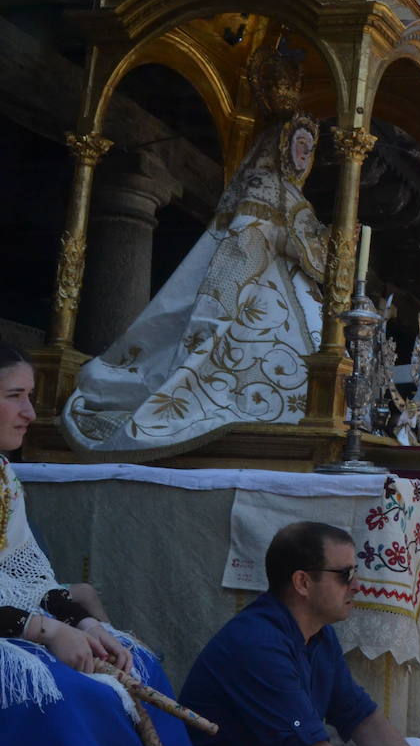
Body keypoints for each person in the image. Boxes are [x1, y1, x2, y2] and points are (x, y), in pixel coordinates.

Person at [63, 53, 329, 457]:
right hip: (251, 279)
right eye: (298, 146)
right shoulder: (261, 185)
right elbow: (246, 239)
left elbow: (309, 249)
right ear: (280, 145)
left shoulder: (295, 197)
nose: (302, 157)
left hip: (290, 286)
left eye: (308, 150)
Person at [0, 346, 218, 746]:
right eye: (14, 396)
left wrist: (85, 624)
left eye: (30, 396)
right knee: (65, 695)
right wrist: (48, 631)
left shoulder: (3, 476)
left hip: (14, 623)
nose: (29, 412)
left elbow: (30, 574)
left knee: (135, 661)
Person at [180, 521, 420, 746]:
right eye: (345, 575)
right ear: (302, 582)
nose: (356, 585)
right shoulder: (256, 645)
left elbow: (362, 720)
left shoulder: (318, 633)